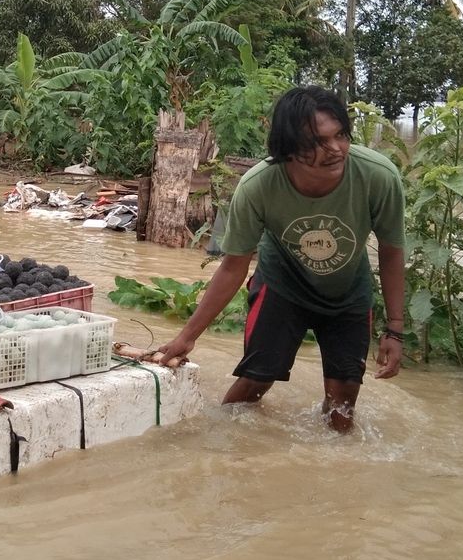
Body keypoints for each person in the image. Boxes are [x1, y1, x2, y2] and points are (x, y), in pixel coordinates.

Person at [154, 85, 406, 431]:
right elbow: (232, 267)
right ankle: (223, 447)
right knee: (255, 382)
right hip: (282, 286)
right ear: (290, 148)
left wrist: (395, 329)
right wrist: (188, 335)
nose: (336, 150)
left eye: (341, 135)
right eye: (319, 142)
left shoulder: (378, 176)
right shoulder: (259, 187)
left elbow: (392, 251)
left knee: (342, 407)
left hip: (348, 291)